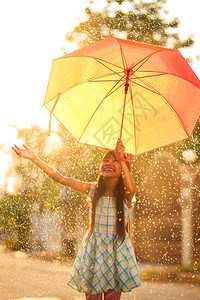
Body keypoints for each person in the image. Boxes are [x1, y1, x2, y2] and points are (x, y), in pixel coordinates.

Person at [12, 139, 141, 299]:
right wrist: (34, 158)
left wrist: (122, 157)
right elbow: (60, 178)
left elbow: (131, 188)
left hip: (116, 251)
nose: (109, 162)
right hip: (94, 250)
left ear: (123, 169)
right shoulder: (93, 190)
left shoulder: (126, 196)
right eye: (106, 159)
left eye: (115, 161)